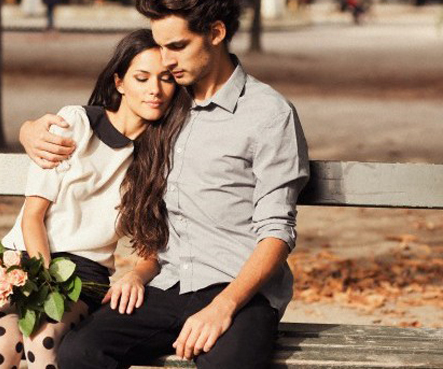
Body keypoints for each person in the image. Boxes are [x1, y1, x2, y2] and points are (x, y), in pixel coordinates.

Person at [19, 0, 310, 368]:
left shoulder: (269, 115)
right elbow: (101, 119)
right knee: (79, 352)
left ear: (216, 34)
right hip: (168, 284)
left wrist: (223, 307)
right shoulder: (168, 104)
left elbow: (277, 233)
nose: (166, 62)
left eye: (177, 46)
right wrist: (28, 131)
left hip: (239, 291)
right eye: (161, 47)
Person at [0, 29, 190, 369]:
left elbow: (151, 254)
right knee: (3, 345)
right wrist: (40, 282)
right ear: (119, 82)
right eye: (142, 77)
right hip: (24, 262)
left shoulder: (161, 158)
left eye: (166, 79)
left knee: (43, 340)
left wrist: (135, 276)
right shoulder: (75, 123)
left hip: (83, 278)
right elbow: (33, 217)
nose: (155, 89)